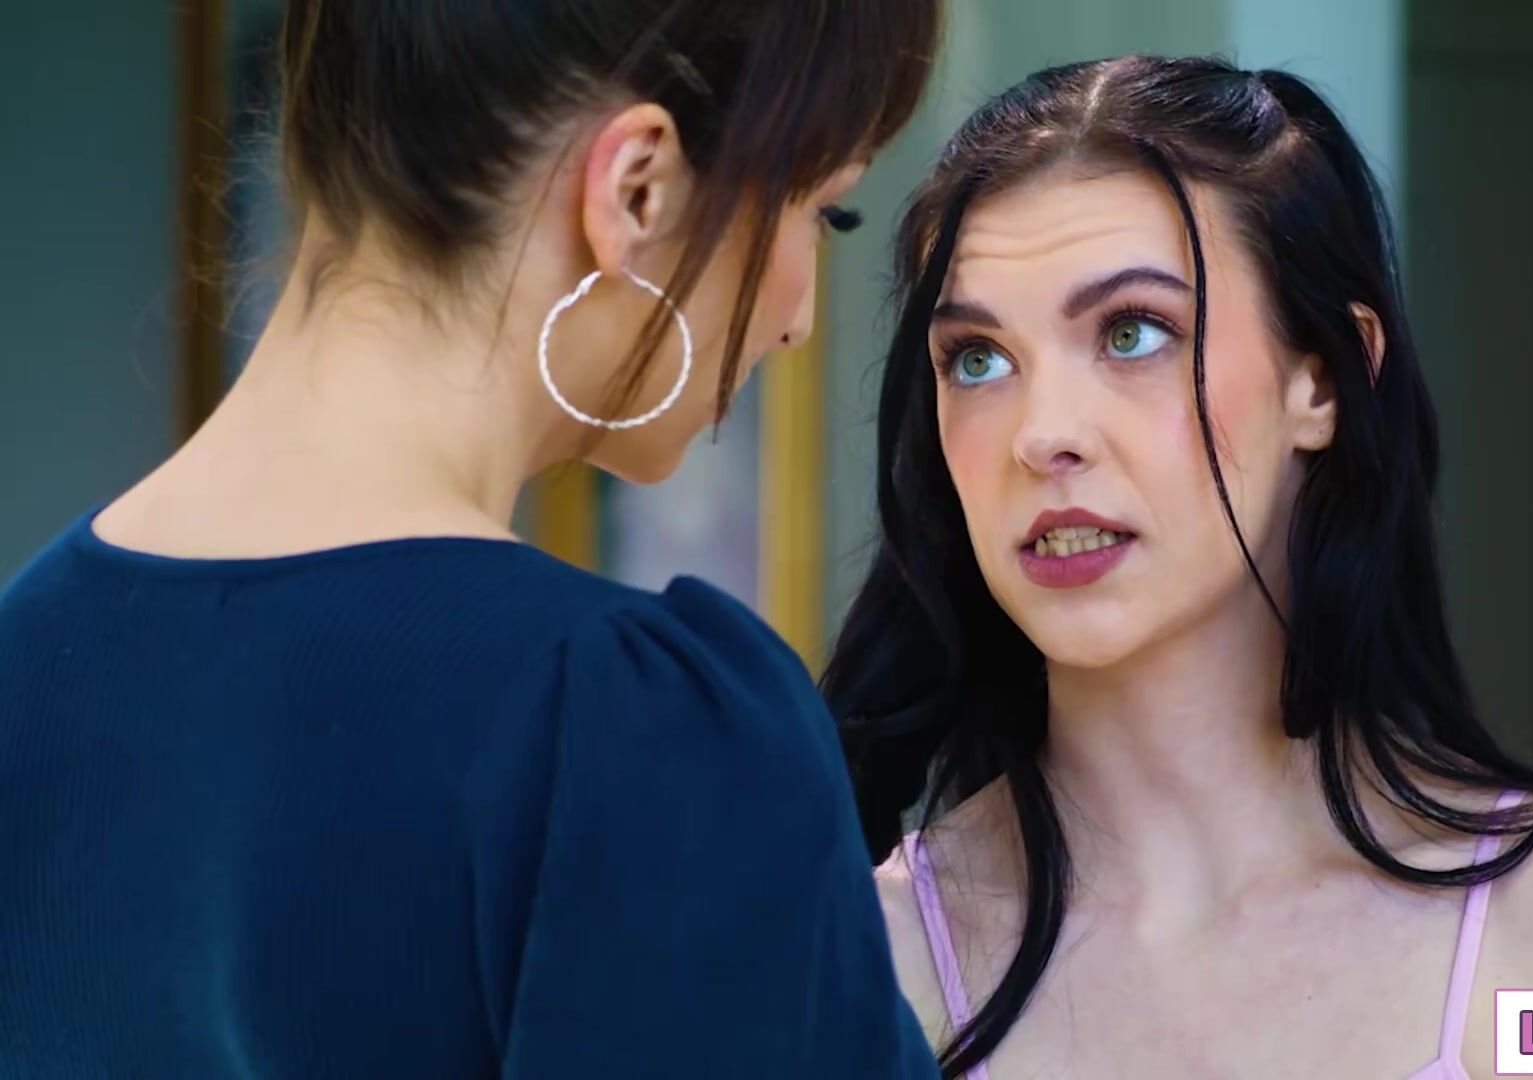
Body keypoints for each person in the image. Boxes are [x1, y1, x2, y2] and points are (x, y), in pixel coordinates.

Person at [0, 2, 941, 1077]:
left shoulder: (28, 656)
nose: (800, 318)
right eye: (823, 210)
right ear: (637, 187)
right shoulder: (629, 729)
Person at [824, 55, 1533, 1080]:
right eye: (977, 359)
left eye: (1133, 334)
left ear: (1323, 378)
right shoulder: (860, 966)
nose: (1043, 436)